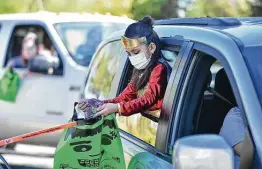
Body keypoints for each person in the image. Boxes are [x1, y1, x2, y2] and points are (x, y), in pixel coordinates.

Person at [78, 15, 169, 118]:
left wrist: (119, 108)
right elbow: (123, 98)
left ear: (151, 47)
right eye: (129, 54)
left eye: (135, 52)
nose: (132, 57)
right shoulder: (139, 72)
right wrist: (98, 104)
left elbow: (148, 99)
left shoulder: (159, 69)